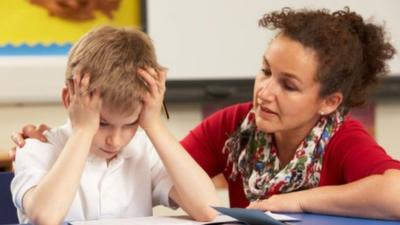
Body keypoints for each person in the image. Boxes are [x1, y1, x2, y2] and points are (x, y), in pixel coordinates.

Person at [11, 7, 400, 220]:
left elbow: (395, 193)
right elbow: (181, 179)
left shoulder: (342, 137)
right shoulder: (235, 126)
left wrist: (301, 200)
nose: (264, 92)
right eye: (265, 71)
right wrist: (80, 133)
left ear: (328, 101)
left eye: (289, 85)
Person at [10, 26, 219, 225]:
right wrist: (84, 131)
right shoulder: (36, 148)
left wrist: (154, 124)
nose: (115, 140)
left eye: (130, 124)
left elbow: (208, 209)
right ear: (69, 100)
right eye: (101, 123)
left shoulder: (144, 151)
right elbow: (46, 217)